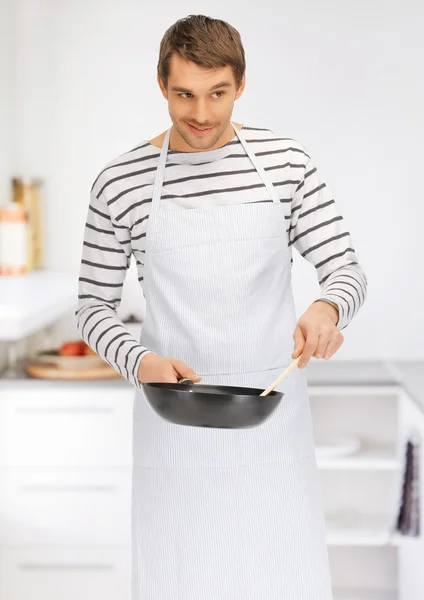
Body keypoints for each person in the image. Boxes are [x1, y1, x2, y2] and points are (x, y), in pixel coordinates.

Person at [76, 14, 367, 600]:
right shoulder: (120, 181)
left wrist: (328, 309)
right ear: (161, 84)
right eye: (184, 94)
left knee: (281, 578)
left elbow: (346, 270)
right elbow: (91, 306)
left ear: (240, 85)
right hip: (173, 423)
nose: (201, 115)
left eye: (218, 94)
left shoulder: (286, 164)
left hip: (270, 420)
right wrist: (138, 361)